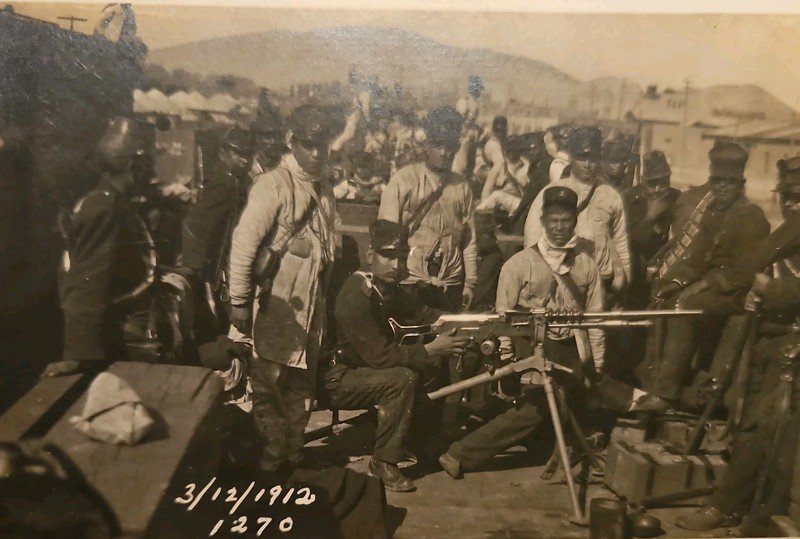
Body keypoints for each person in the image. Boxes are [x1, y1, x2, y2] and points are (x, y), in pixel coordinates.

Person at [438, 186, 604, 478]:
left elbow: (596, 320)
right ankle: (459, 454)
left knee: (572, 402)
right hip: (530, 345)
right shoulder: (518, 264)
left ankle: (553, 449)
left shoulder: (586, 265)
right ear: (541, 220)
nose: (558, 227)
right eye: (552, 219)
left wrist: (597, 365)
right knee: (537, 408)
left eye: (565, 220)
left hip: (570, 347)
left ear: (574, 222)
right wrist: (506, 355)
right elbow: (504, 317)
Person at [675, 157, 800, 532]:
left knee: (773, 435)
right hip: (772, 343)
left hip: (792, 349)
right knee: (751, 425)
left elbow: (767, 278)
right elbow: (752, 267)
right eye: (788, 196)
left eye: (799, 197)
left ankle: (757, 519)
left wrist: (770, 290)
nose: (791, 204)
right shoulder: (791, 231)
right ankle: (735, 508)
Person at [227, 104, 340, 477]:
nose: (317, 153)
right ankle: (268, 465)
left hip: (309, 313)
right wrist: (240, 301)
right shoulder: (273, 184)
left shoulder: (323, 189)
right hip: (274, 309)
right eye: (308, 144)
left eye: (321, 144)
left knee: (300, 392)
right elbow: (244, 244)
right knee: (266, 389)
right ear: (292, 142)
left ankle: (291, 457)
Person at [321, 220, 471, 492]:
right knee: (402, 378)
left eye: (402, 258)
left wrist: (467, 323)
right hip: (338, 378)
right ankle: (383, 461)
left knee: (426, 364)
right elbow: (380, 357)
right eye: (388, 256)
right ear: (370, 256)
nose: (396, 265)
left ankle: (416, 438)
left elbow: (423, 314)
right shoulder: (357, 293)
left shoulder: (388, 290)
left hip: (361, 371)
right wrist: (430, 349)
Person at [634, 141, 770, 413]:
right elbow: (697, 257)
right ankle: (655, 377)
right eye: (716, 181)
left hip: (735, 296)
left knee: (683, 308)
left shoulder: (750, 217)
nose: (720, 187)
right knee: (664, 297)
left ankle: (667, 392)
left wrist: (699, 287)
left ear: (740, 183)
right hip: (712, 289)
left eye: (728, 183)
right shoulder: (712, 212)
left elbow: (742, 274)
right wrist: (674, 282)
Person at [47, 116, 156, 377]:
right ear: (134, 165)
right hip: (117, 339)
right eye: (145, 164)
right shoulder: (104, 208)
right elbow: (86, 282)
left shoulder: (115, 201)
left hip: (130, 331)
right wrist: (79, 355)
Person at [378, 106, 477, 313]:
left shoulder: (462, 187)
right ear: (426, 146)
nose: (444, 152)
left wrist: (470, 283)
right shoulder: (404, 180)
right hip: (410, 284)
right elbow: (386, 236)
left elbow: (468, 240)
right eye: (438, 145)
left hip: (449, 284)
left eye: (450, 145)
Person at [524, 126, 631, 303]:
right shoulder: (551, 192)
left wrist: (622, 289)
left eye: (593, 158)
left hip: (600, 284)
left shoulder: (610, 196)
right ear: (571, 157)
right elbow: (532, 239)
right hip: (560, 282)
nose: (587, 164)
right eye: (582, 157)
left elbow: (620, 244)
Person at [181, 125, 254, 343]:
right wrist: (198, 271)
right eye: (238, 153)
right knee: (214, 324)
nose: (244, 160)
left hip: (221, 266)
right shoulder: (224, 183)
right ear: (223, 153)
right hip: (211, 270)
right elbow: (199, 228)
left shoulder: (235, 181)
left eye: (248, 155)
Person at [623, 150, 681, 308]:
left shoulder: (676, 198)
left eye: (662, 183)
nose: (657, 189)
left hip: (665, 270)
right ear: (643, 182)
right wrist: (650, 216)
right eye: (651, 184)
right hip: (635, 272)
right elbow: (629, 239)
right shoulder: (629, 200)